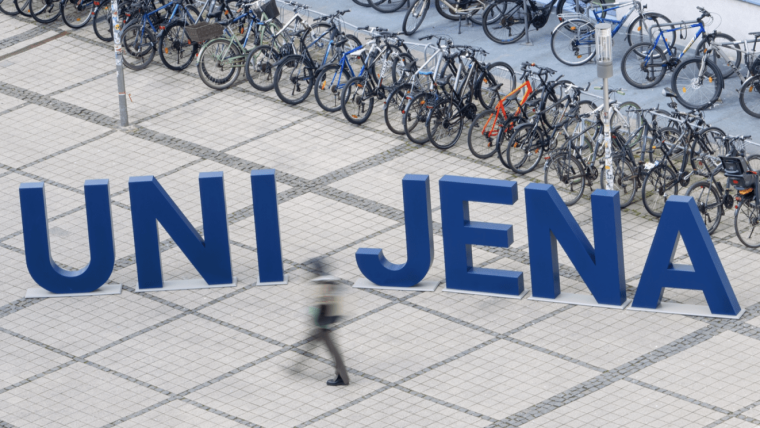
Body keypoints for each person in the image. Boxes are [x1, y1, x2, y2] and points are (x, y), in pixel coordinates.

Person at [308, 260, 350, 386]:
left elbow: (324, 304)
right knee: (311, 344)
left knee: (333, 351)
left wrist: (319, 319)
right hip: (323, 322)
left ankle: (343, 378)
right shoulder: (327, 280)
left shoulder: (324, 283)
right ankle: (296, 367)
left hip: (323, 324)